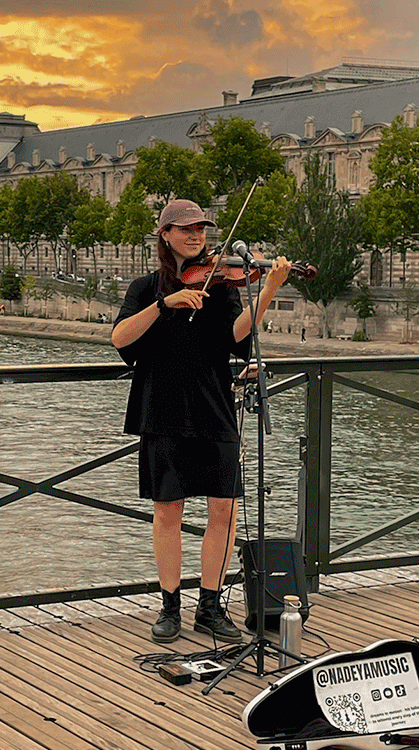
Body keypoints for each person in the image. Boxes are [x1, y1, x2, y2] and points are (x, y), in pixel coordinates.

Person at [111, 199, 293, 644]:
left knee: (224, 509)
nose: (197, 236)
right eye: (187, 229)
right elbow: (119, 337)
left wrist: (268, 289)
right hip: (163, 410)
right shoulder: (146, 287)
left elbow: (236, 335)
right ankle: (169, 605)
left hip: (214, 406)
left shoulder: (223, 286)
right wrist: (164, 303)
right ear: (166, 235)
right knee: (169, 509)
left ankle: (209, 606)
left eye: (202, 229)